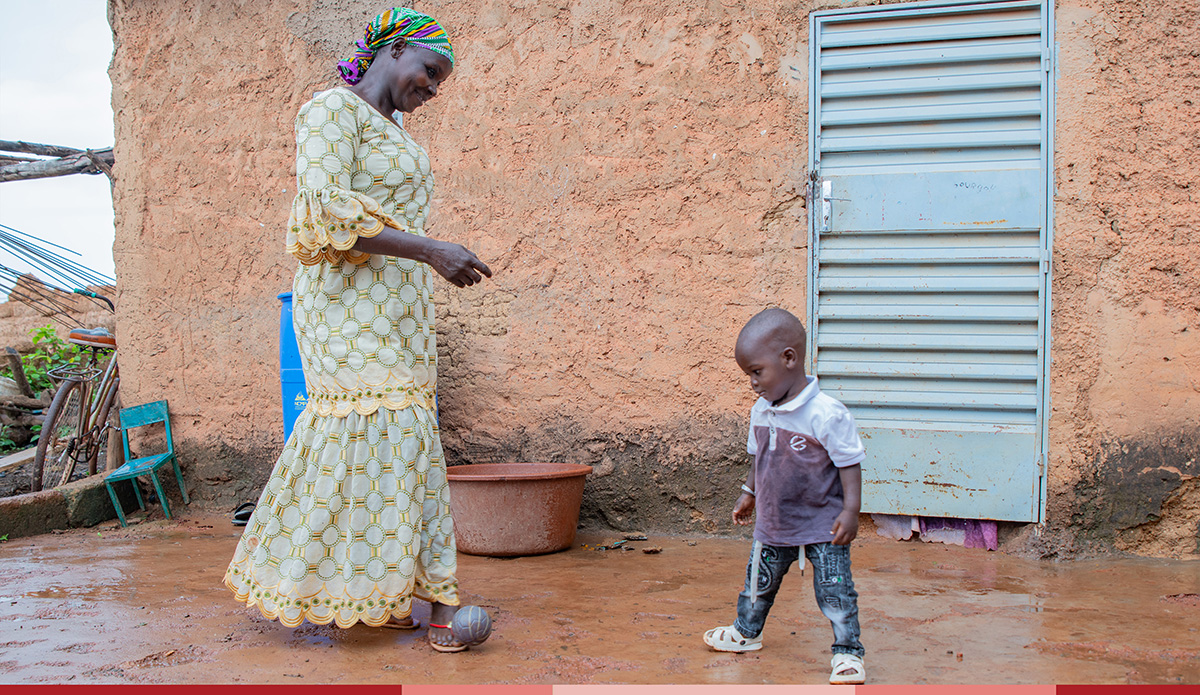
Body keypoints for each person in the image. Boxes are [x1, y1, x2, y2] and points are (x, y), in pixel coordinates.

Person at [223, 7, 490, 653]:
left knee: (402, 435)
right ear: (394, 49)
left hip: (398, 310)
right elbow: (322, 214)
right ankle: (439, 601)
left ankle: (386, 593)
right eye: (429, 73)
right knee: (390, 426)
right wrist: (431, 250)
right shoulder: (329, 113)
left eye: (438, 84)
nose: (430, 90)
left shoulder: (389, 126)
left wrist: (424, 261)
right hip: (343, 306)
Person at [702, 308, 867, 684]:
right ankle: (746, 632)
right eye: (749, 375)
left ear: (788, 359)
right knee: (757, 584)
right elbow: (758, 459)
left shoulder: (826, 414)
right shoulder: (761, 411)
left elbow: (849, 463)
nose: (753, 384)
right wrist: (749, 493)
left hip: (824, 526)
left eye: (757, 372)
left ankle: (848, 654)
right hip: (773, 524)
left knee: (835, 592)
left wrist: (852, 510)